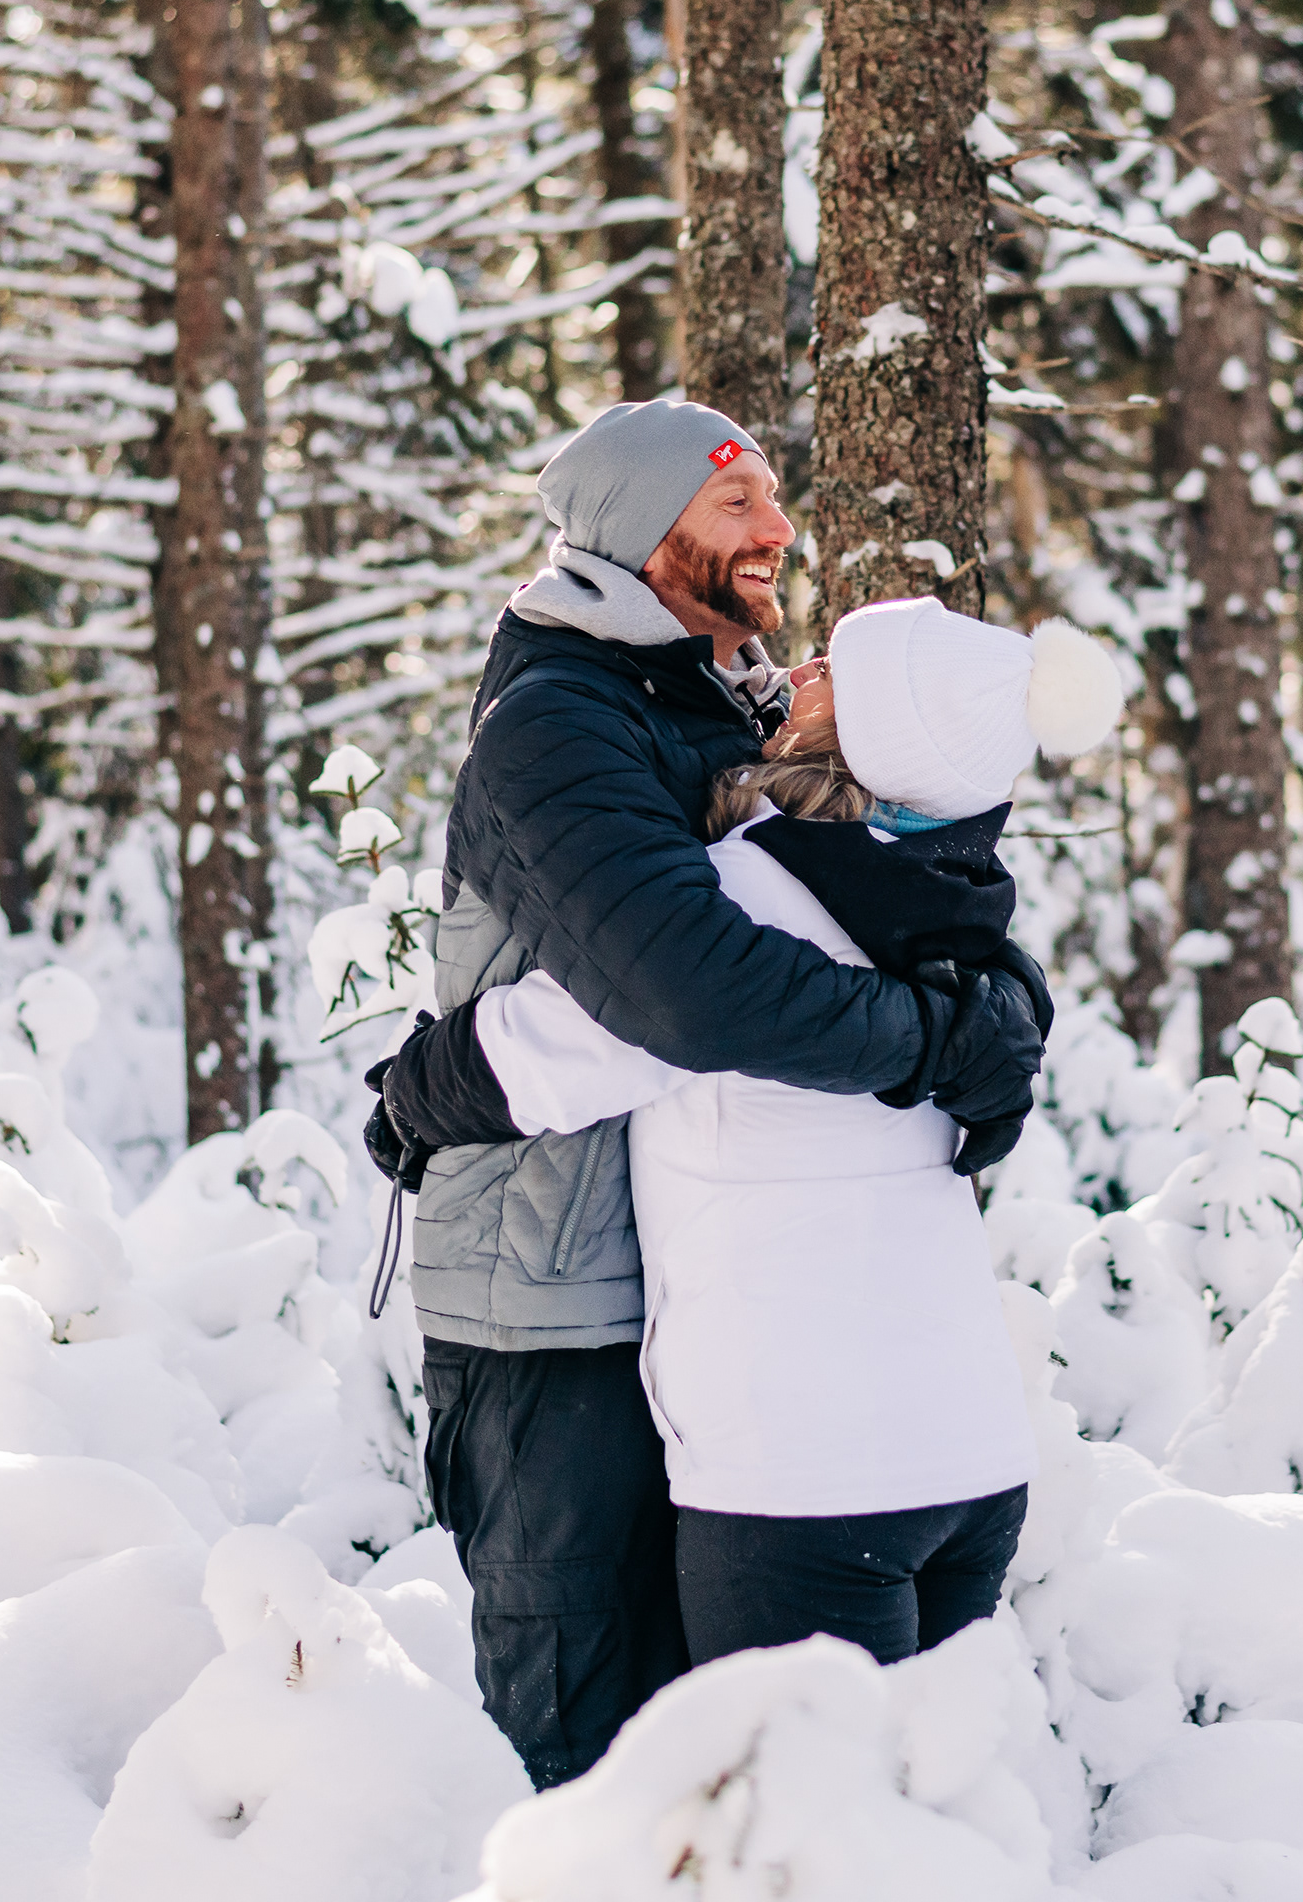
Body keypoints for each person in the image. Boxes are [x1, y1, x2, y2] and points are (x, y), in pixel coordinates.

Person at [363, 401, 1048, 1788]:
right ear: (635, 530)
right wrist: (942, 1039)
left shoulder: (716, 701)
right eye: (739, 504)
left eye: (774, 500)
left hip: (688, 1309)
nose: (779, 531)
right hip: (553, 1303)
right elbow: (686, 990)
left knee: (729, 1772)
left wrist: (1004, 1011)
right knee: (593, 1745)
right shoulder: (557, 724)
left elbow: (904, 889)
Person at [410, 593, 1121, 1666]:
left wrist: (413, 1090)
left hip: (805, 1478)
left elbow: (567, 1043)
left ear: (869, 732)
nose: (799, 674)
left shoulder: (751, 892)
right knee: (940, 1772)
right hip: (971, 1459)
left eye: (834, 670)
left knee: (794, 1781)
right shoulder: (958, 913)